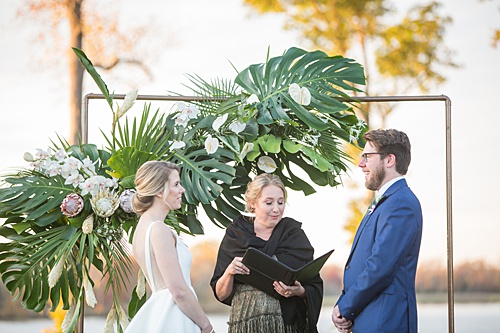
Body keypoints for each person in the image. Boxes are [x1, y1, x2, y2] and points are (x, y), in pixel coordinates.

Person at [332, 129, 423, 333]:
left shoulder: (402, 204)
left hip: (385, 322)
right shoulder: (385, 201)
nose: (360, 164)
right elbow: (363, 262)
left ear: (389, 160)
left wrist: (345, 307)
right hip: (368, 318)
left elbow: (380, 267)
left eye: (367, 156)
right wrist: (345, 305)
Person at [210, 173, 323, 333]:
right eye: (269, 202)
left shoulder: (294, 235)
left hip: (288, 326)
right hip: (245, 324)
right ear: (252, 202)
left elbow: (313, 285)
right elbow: (221, 295)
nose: (276, 209)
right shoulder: (236, 235)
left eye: (281, 202)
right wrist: (229, 273)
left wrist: (299, 291)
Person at [126, 161, 215, 333]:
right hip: (175, 315)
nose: (182, 189)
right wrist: (207, 326)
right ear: (159, 190)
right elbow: (178, 290)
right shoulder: (158, 229)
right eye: (176, 184)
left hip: (161, 312)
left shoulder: (141, 229)